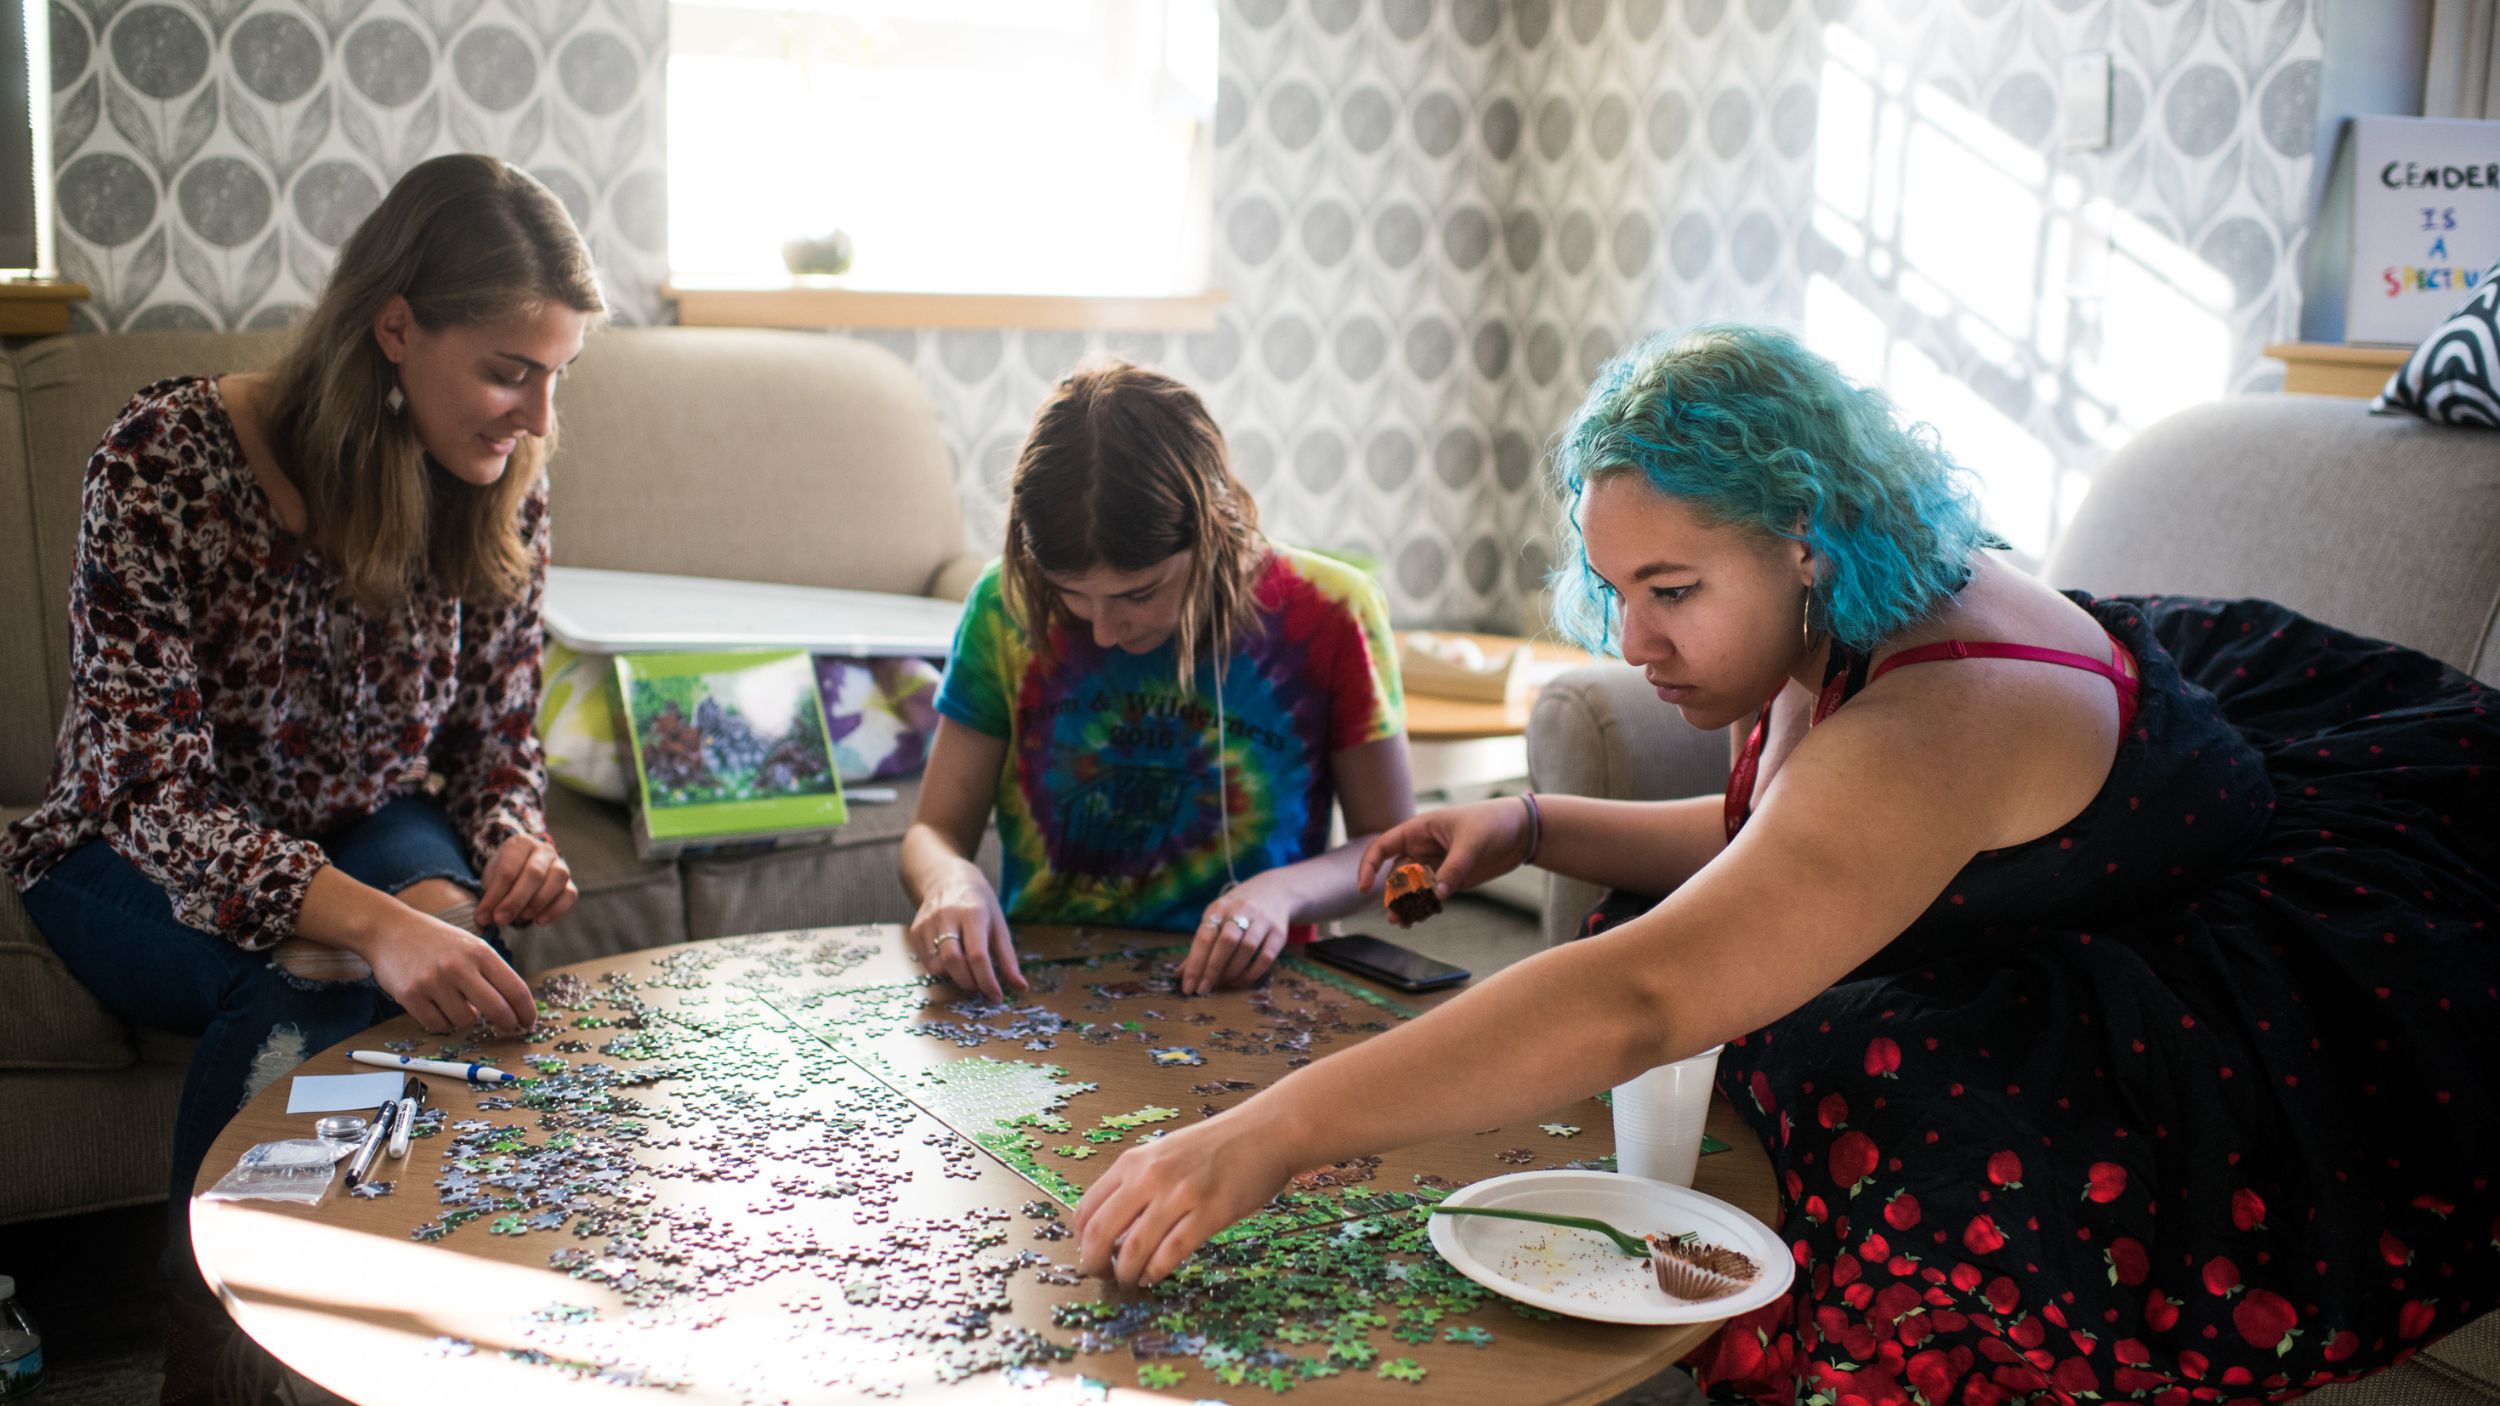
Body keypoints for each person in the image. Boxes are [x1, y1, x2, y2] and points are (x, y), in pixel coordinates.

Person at [1071, 325, 2500, 1405]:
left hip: (2238, 991)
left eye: (1674, 592)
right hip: (2051, 856)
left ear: (1806, 541)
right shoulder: (1848, 610)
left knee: (1851, 1077)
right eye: (1615, 588)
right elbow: (1779, 845)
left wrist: (1268, 1129)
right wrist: (1528, 821)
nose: (1634, 644)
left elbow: (1654, 987)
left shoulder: (1930, 720)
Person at [1, 153, 601, 1398]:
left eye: (557, 377)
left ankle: (423, 1329)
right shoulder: (162, 457)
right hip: (123, 847)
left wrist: (505, 836)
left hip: (364, 820)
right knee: (312, 972)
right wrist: (372, 923)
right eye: (507, 370)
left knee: (476, 968)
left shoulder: (500, 484)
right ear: (395, 325)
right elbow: (150, 793)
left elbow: (492, 740)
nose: (538, 418)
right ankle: (215, 1354)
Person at [902, 361, 1413, 1001]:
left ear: (1217, 525)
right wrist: (950, 879)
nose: (1106, 630)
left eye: (1139, 593)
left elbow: (1396, 854)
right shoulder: (1002, 605)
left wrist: (1282, 893)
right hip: (1038, 989)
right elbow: (933, 832)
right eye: (1074, 597)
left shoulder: (1332, 611)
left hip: (1250, 991)